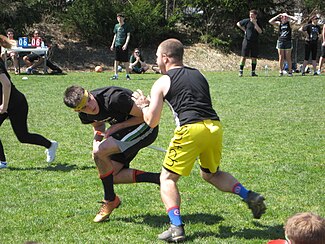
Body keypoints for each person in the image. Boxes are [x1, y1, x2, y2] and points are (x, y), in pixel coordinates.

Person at [131, 38, 266, 242]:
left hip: (190, 129)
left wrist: (143, 106)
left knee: (167, 179)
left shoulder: (162, 81)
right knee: (211, 174)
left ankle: (176, 228)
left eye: (158, 57)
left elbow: (151, 121)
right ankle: (249, 196)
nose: (156, 61)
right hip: (213, 127)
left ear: (166, 58)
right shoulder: (198, 74)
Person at [63, 85, 160, 223]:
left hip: (146, 127)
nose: (90, 107)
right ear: (77, 110)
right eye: (84, 107)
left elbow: (145, 117)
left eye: (89, 100)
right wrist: (96, 142)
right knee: (111, 175)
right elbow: (98, 125)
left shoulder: (114, 98)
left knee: (101, 153)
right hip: (123, 131)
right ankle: (159, 179)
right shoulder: (84, 114)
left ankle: (109, 199)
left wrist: (116, 127)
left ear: (90, 93)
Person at [0, 34, 58, 169]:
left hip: (16, 104)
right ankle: (2, 162)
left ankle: (50, 145)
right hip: (6, 103)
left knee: (23, 136)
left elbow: (6, 85)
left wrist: (4, 105)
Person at [236, 9, 262, 77]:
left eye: (252, 15)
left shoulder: (258, 22)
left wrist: (255, 23)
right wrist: (244, 30)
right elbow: (238, 23)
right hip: (247, 41)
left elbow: (260, 31)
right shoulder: (247, 21)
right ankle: (241, 71)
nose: (251, 16)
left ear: (255, 15)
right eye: (250, 15)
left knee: (254, 57)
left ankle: (253, 72)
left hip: (255, 42)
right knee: (243, 56)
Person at [110, 13, 132, 80]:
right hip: (117, 44)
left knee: (126, 61)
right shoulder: (116, 26)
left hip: (124, 45)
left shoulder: (126, 26)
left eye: (120, 17)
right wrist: (112, 44)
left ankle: (127, 75)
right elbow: (115, 35)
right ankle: (115, 75)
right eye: (118, 18)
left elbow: (128, 35)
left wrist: (126, 44)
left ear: (123, 18)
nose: (119, 19)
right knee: (116, 60)